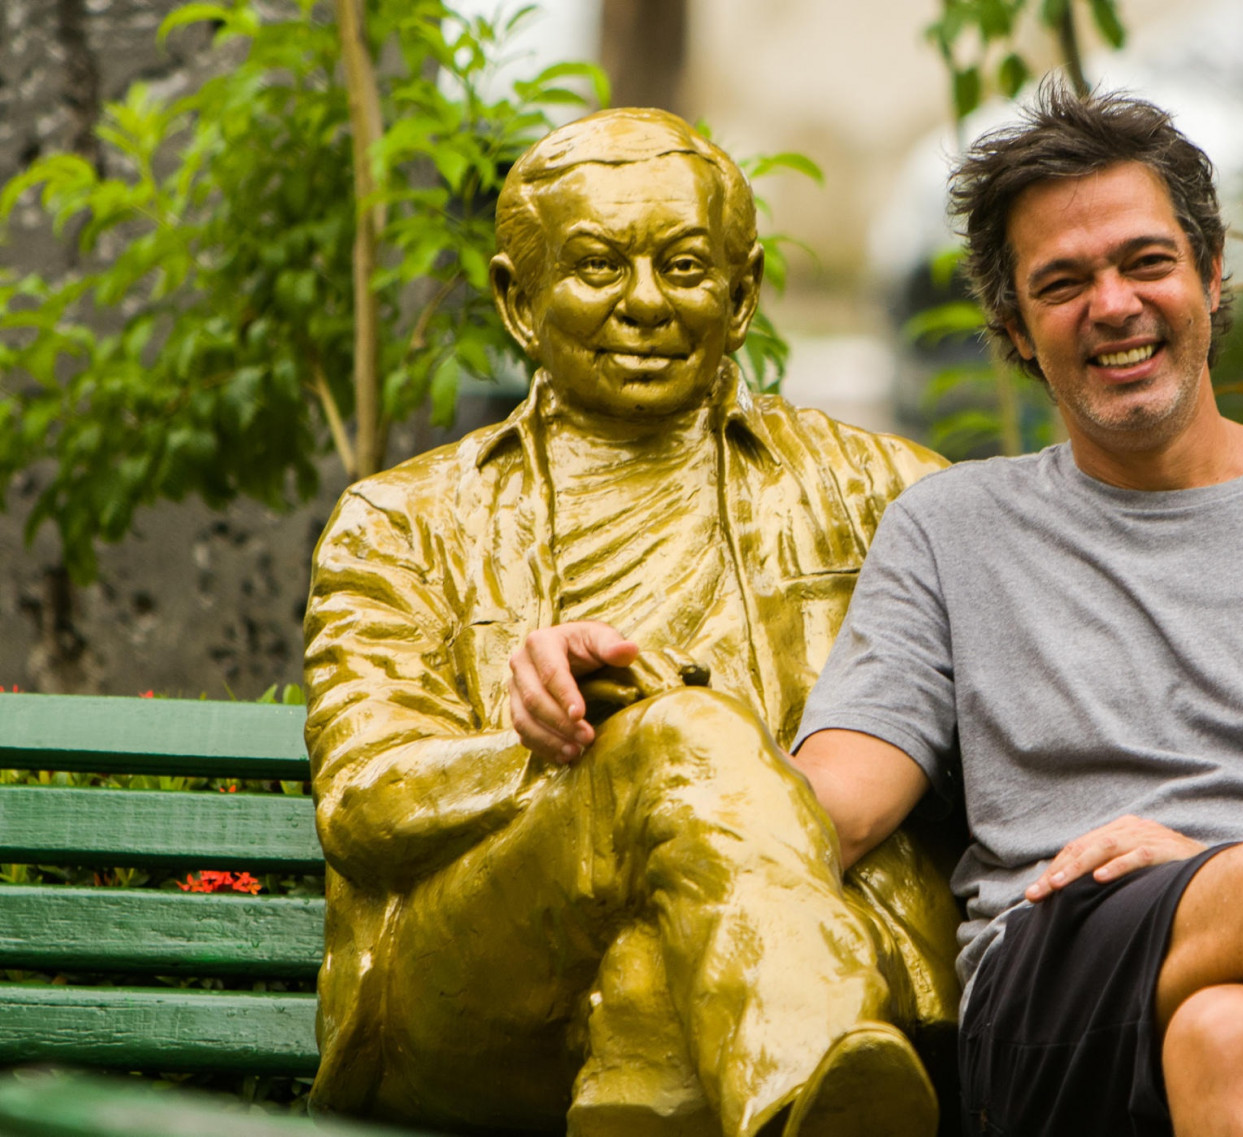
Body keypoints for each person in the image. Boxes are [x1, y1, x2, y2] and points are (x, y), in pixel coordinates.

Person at [786, 82, 1243, 1137]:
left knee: (1225, 1033)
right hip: (1062, 978)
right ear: (1012, 325)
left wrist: (1224, 873)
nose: (1114, 305)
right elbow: (838, 804)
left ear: (1211, 274)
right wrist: (634, 714)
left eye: (1145, 262)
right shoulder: (951, 529)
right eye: (1063, 282)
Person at [303, 108, 959, 1137]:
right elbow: (363, 798)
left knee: (657, 977)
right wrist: (571, 756)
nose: (645, 303)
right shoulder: (405, 522)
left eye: (686, 267)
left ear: (741, 297)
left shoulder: (883, 492)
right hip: (476, 988)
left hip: (798, 944)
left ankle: (793, 1091)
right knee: (679, 738)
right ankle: (815, 1064)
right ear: (519, 302)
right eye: (599, 266)